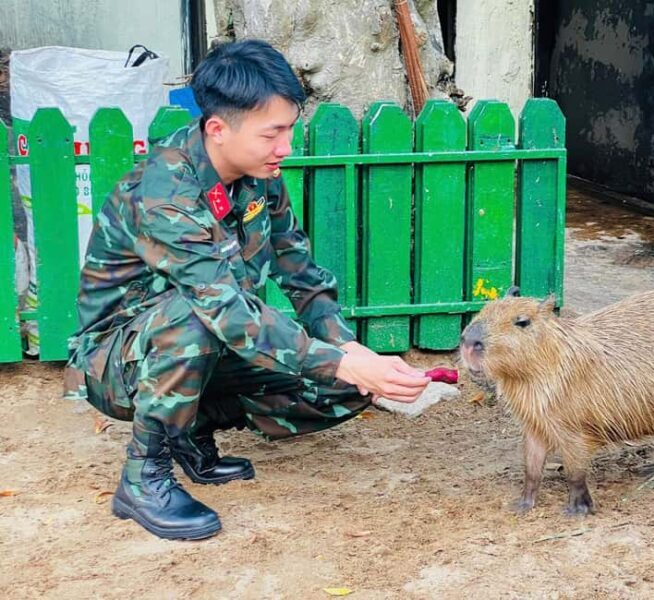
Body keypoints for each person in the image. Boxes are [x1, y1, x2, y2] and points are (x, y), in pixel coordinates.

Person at [63, 39, 430, 541]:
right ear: (218, 128)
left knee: (347, 382)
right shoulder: (164, 191)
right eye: (272, 134)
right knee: (197, 317)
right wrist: (338, 359)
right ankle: (143, 479)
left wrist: (345, 347)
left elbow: (300, 272)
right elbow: (223, 309)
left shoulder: (259, 176)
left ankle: (189, 430)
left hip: (209, 339)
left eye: (289, 130)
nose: (286, 147)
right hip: (117, 360)